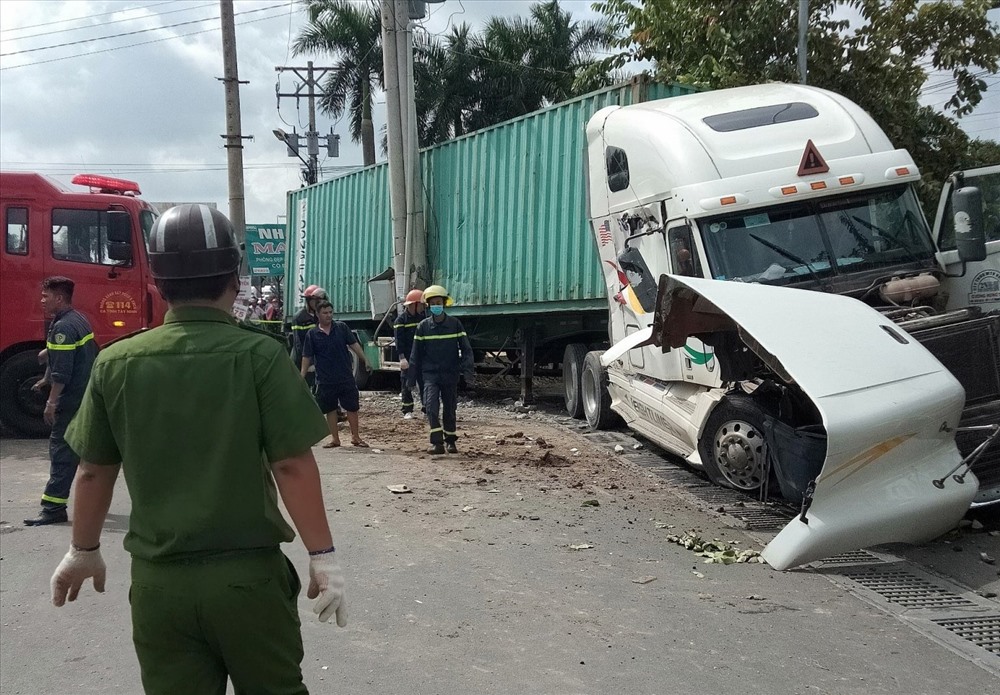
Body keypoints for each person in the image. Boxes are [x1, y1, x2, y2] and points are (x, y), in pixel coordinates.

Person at [48, 204, 346, 695]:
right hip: (247, 583)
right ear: (234, 278)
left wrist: (83, 549)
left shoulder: (117, 362)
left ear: (160, 284)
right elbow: (291, 464)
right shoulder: (259, 355)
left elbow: (92, 472)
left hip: (159, 586)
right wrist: (324, 556)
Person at [24, 276, 98, 527]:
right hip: (85, 393)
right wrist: (46, 370)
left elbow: (63, 373)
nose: (42, 301)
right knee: (83, 449)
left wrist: (51, 402)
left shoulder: (63, 328)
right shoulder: (76, 319)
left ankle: (53, 508)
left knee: (61, 451)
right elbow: (67, 356)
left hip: (70, 398)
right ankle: (92, 497)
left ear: (59, 298)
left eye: (46, 297)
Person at [409, 285, 474, 455]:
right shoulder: (422, 327)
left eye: (439, 302)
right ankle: (437, 443)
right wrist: (410, 378)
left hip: (450, 373)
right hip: (430, 375)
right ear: (429, 306)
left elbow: (466, 350)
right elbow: (415, 354)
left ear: (444, 303)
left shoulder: (455, 325)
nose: (436, 306)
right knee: (430, 406)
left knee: (450, 408)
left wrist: (468, 374)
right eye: (433, 303)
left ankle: (450, 441)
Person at [300, 300, 370, 448]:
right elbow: (307, 356)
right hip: (325, 378)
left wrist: (365, 360)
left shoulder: (341, 328)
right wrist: (302, 375)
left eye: (330, 312)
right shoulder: (312, 334)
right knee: (330, 409)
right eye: (325, 313)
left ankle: (356, 437)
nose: (329, 315)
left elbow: (354, 344)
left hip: (345, 375)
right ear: (317, 314)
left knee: (352, 407)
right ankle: (335, 439)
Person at [394, 289, 426, 419]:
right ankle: (407, 410)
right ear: (414, 304)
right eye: (422, 304)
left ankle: (426, 409)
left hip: (422, 357)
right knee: (406, 384)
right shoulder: (400, 321)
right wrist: (402, 358)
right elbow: (399, 341)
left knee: (425, 383)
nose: (423, 307)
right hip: (407, 357)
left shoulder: (423, 319)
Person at [290, 284, 327, 374]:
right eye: (316, 301)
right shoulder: (299, 317)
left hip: (317, 361)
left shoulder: (319, 316)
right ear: (308, 301)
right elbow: (299, 344)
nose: (319, 303)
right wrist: (309, 363)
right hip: (302, 361)